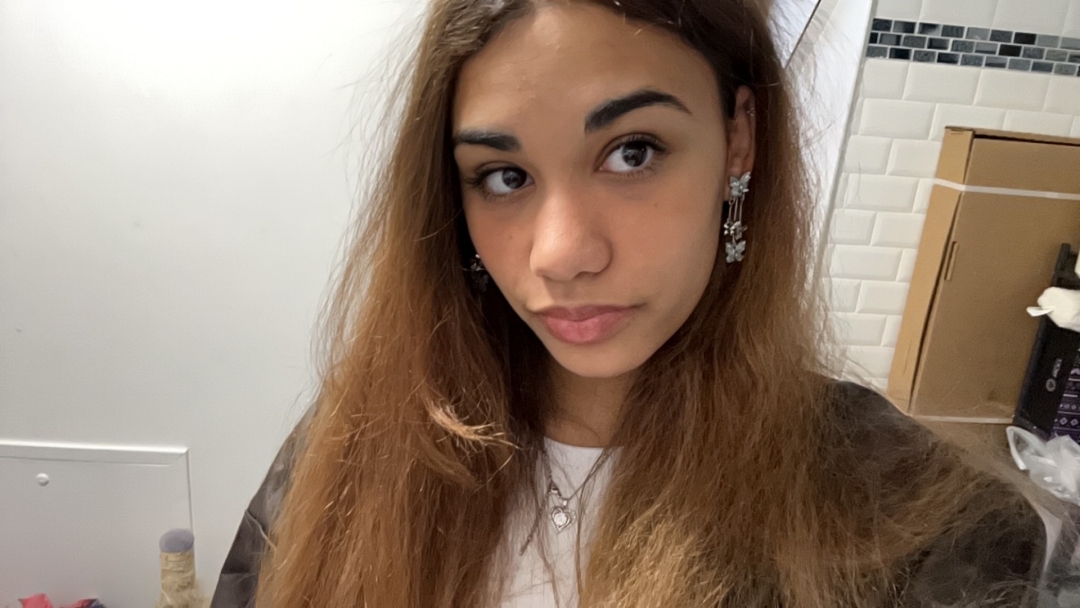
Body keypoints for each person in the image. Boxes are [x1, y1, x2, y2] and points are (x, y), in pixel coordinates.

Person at [210, 0, 1051, 606]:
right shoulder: (351, 451)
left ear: (739, 137)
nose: (562, 254)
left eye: (633, 153)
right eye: (503, 176)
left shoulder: (926, 531)